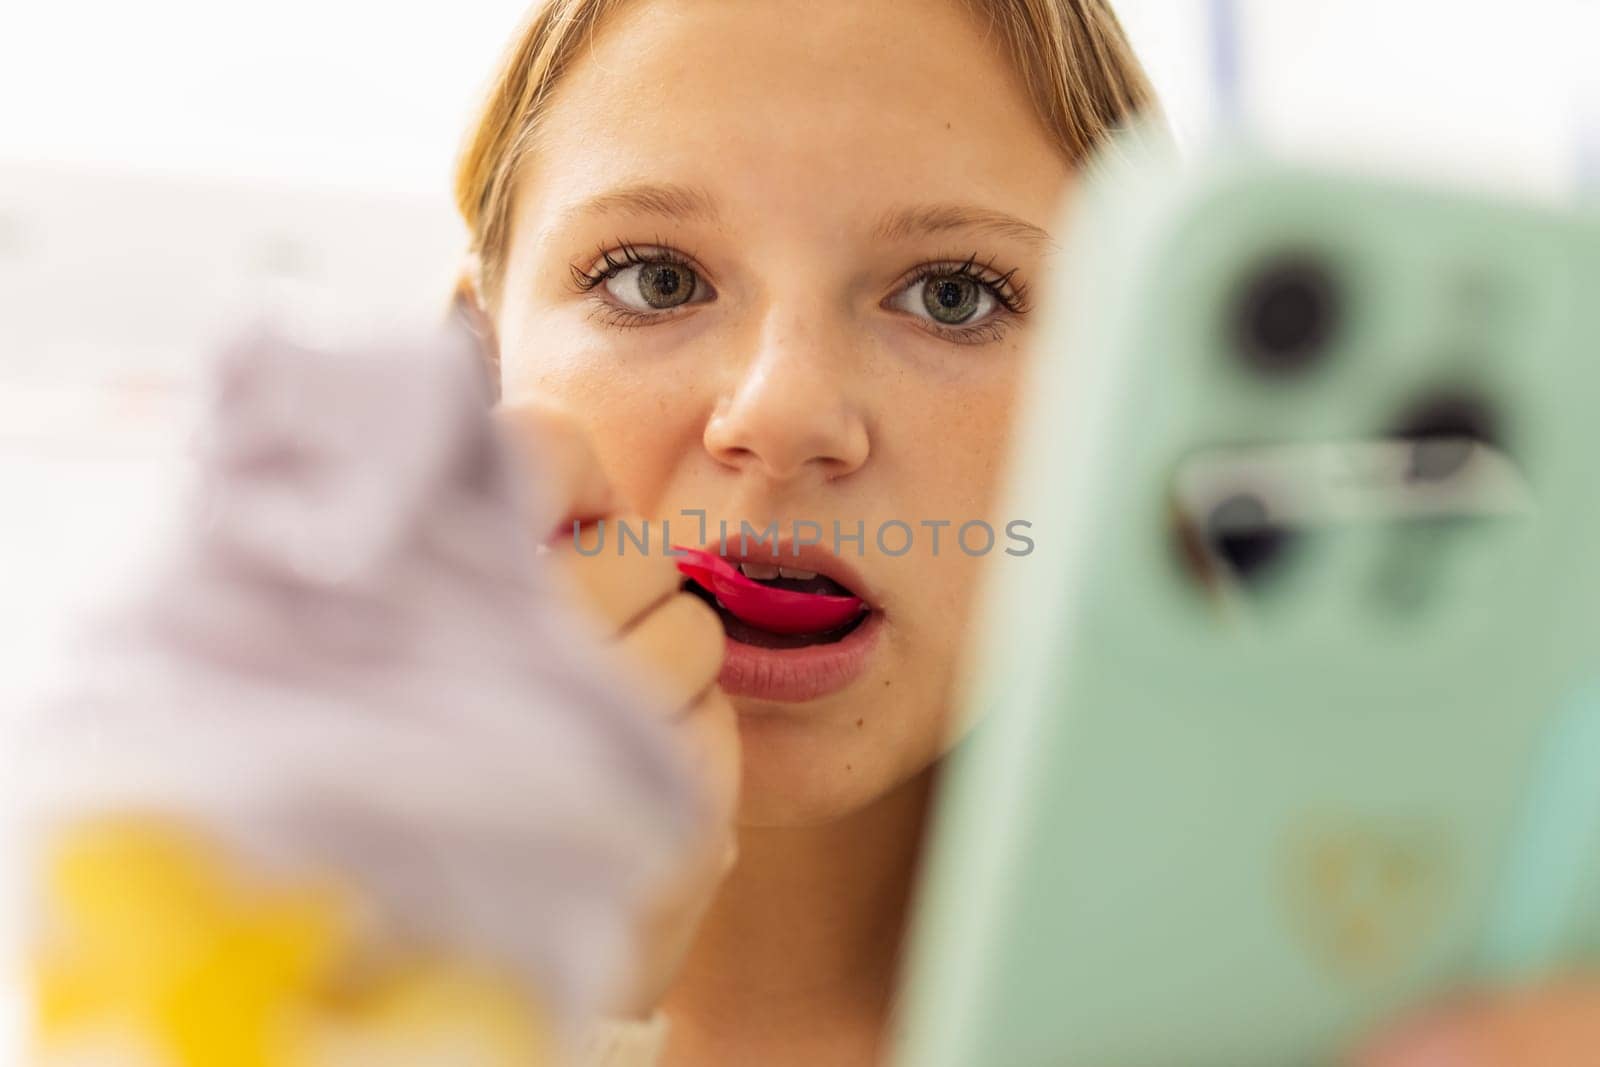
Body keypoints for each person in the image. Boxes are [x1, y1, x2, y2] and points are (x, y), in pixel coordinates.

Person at [453, 2, 1600, 1064]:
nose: (783, 411)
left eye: (953, 294)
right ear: (470, 367)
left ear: (1126, 390)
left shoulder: (1344, 992)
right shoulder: (300, 942)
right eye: (654, 279)